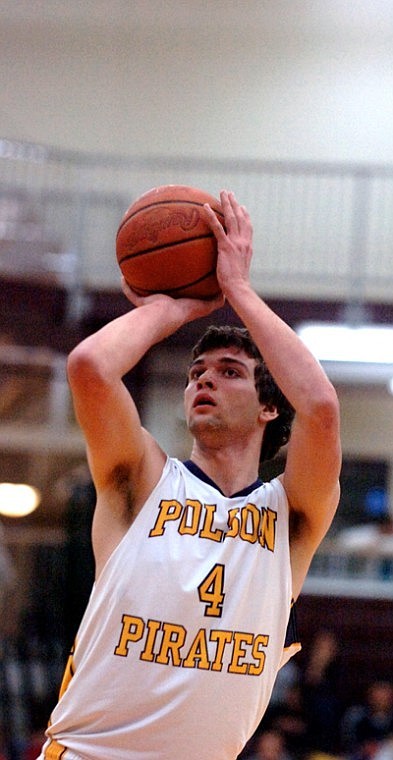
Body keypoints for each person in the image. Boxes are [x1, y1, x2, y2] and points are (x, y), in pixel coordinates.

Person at [37, 191, 341, 760]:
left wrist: (241, 292)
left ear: (269, 407)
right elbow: (90, 368)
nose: (204, 380)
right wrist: (172, 309)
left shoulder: (292, 513)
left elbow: (322, 409)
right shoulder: (144, 480)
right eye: (196, 372)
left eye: (229, 373)